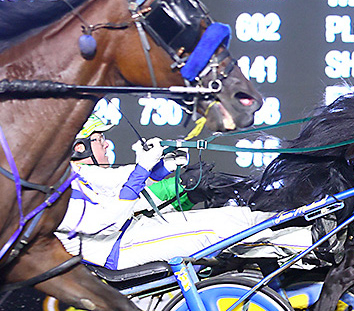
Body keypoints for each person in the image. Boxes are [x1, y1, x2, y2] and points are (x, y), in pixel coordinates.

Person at [57, 115, 309, 270]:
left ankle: (305, 224)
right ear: (80, 148)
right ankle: (309, 247)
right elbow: (108, 223)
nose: (106, 144)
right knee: (220, 233)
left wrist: (164, 165)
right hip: (117, 250)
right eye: (99, 140)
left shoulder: (83, 173)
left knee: (236, 215)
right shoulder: (60, 189)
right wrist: (144, 166)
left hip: (134, 233)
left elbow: (123, 177)